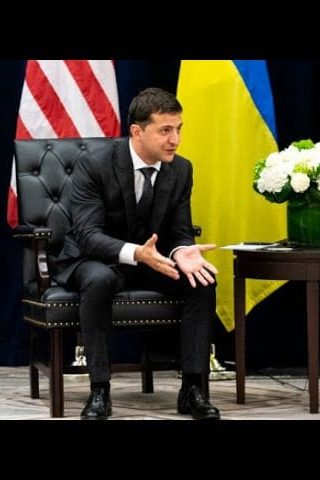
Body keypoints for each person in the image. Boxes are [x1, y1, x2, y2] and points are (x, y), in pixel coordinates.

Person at [54, 87, 220, 420]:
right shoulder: (95, 164)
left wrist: (182, 251)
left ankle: (193, 389)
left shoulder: (181, 170)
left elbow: (180, 230)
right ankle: (99, 390)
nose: (175, 140)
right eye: (165, 130)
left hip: (150, 259)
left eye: (179, 129)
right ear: (137, 131)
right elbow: (87, 235)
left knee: (201, 281)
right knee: (99, 280)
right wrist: (136, 253)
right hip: (95, 258)